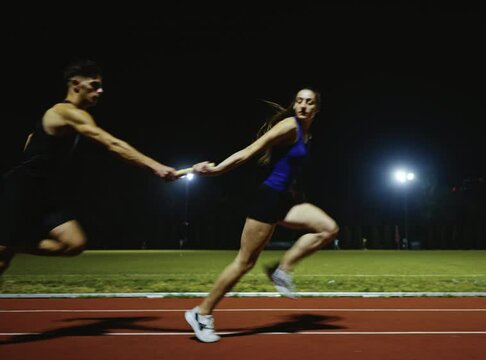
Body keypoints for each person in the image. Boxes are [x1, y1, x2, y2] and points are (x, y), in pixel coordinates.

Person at [184, 88, 339, 343]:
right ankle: (201, 313)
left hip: (285, 201)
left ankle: (281, 269)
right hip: (268, 200)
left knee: (328, 229)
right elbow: (250, 151)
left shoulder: (306, 133)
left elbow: (288, 166)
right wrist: (217, 170)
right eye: (299, 100)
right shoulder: (289, 125)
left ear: (316, 109)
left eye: (309, 102)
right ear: (294, 104)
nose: (302, 105)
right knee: (244, 262)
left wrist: (294, 191)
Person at [0, 59, 177, 275]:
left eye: (101, 86)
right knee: (2, 262)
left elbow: (30, 140)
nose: (100, 91)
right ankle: (6, 247)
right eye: (94, 85)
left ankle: (11, 246)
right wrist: (155, 167)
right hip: (20, 192)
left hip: (44, 194)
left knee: (74, 243)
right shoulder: (66, 111)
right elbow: (111, 144)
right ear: (75, 84)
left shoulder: (60, 117)